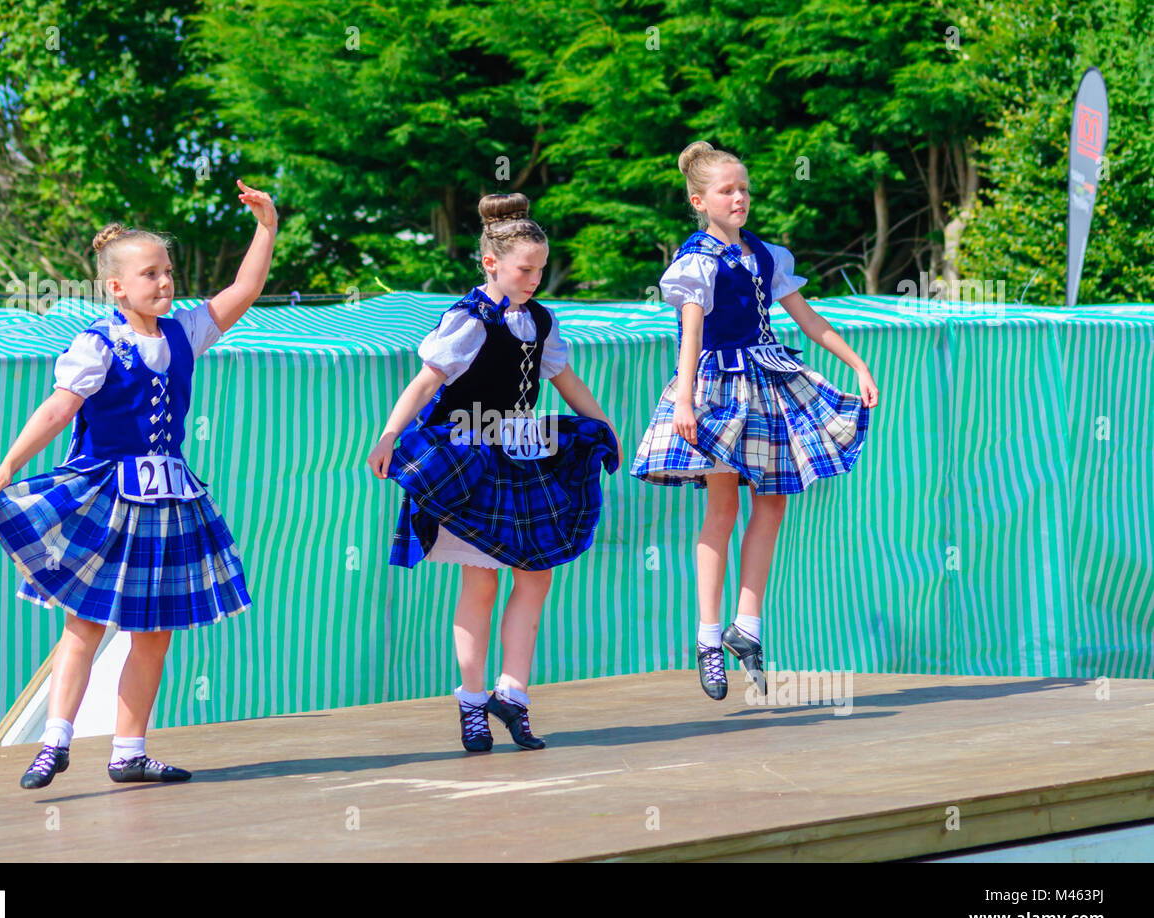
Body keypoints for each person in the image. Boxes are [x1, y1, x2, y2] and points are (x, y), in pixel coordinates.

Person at [0, 179, 277, 788]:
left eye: (168, 271)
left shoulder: (183, 332)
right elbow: (59, 409)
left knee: (154, 634)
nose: (165, 283)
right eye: (150, 274)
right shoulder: (97, 344)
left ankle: (128, 751)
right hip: (107, 495)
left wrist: (266, 227)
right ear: (116, 287)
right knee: (84, 623)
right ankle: (55, 743)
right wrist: (11, 462)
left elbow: (244, 289)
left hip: (170, 502)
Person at [367, 193, 620, 752]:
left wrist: (601, 424)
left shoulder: (540, 319)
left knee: (537, 573)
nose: (534, 279)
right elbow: (426, 383)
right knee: (480, 581)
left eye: (540, 269)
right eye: (525, 269)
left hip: (521, 453)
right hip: (471, 457)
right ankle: (473, 701)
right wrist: (388, 436)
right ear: (492, 263)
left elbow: (564, 379)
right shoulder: (467, 319)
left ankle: (514, 692)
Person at [631, 143, 878, 702]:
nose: (739, 197)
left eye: (743, 188)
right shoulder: (696, 260)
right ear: (700, 201)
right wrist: (687, 401)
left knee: (774, 501)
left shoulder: (767, 255)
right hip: (719, 387)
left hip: (769, 382)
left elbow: (810, 321)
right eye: (726, 190)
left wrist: (856, 363)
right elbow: (691, 336)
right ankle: (708, 639)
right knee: (722, 507)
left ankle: (749, 627)